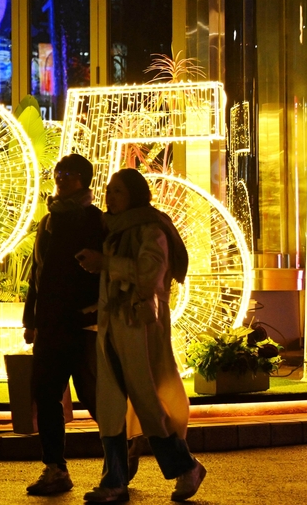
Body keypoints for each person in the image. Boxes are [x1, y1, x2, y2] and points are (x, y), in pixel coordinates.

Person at [76, 168, 205, 503]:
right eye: (109, 190)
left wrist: (105, 263)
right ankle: (114, 480)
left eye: (118, 191)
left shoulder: (151, 229)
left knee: (147, 402)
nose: (110, 196)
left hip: (139, 330)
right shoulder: (115, 230)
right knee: (110, 405)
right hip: (113, 328)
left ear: (134, 194)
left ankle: (185, 465)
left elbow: (151, 273)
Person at [22, 154, 105, 495]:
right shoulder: (48, 221)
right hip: (51, 322)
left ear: (84, 180)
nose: (61, 178)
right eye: (58, 172)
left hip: (82, 322)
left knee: (92, 394)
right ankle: (55, 467)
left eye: (70, 174)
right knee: (44, 392)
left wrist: (96, 312)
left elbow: (104, 269)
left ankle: (124, 446)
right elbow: (37, 273)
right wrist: (31, 319)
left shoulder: (94, 219)